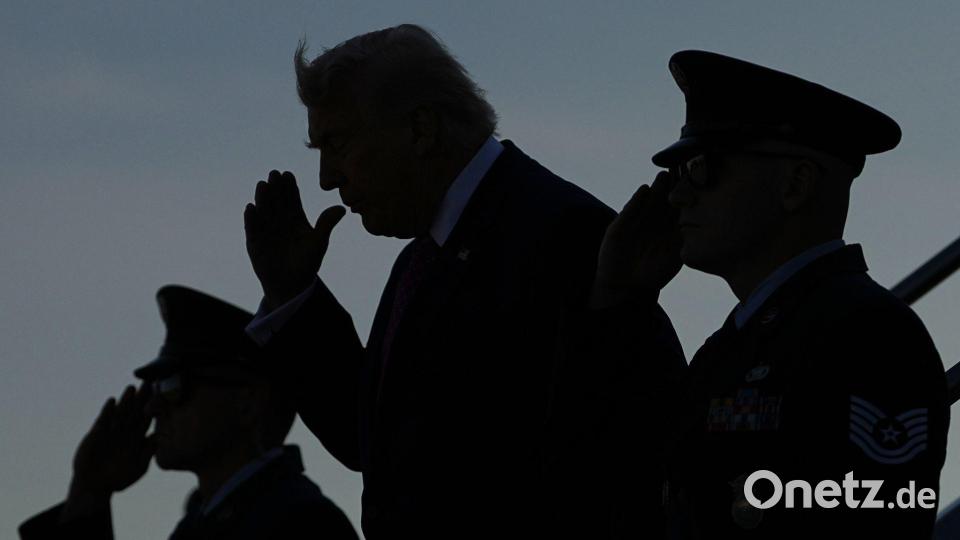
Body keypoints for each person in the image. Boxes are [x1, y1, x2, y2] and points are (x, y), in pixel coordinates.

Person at [242, 24, 680, 539]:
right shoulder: (422, 259)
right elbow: (376, 445)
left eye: (337, 143)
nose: (326, 178)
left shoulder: (565, 234)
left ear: (421, 130)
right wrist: (293, 293)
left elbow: (616, 458)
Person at [594, 49, 950, 538]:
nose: (677, 195)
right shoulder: (739, 343)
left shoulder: (871, 336)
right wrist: (622, 304)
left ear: (795, 184)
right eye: (678, 174)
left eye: (702, 168)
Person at [19, 285, 358, 540]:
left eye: (173, 386)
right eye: (155, 388)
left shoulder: (305, 525)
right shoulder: (208, 520)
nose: (153, 407)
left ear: (248, 402)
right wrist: (89, 493)